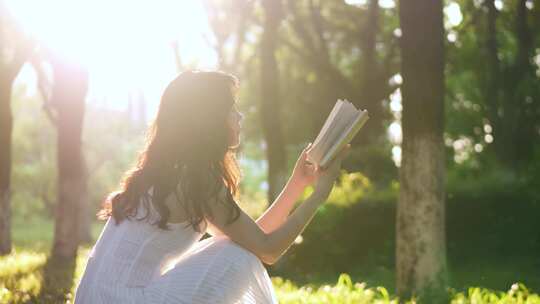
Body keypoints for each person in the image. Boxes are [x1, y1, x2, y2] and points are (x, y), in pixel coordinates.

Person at [73, 70, 350, 304]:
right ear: (208, 120)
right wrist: (319, 195)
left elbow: (254, 239)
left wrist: (297, 184)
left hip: (99, 297)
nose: (239, 117)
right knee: (239, 259)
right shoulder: (196, 179)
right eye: (231, 110)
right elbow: (268, 249)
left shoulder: (171, 170)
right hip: (122, 299)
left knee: (235, 249)